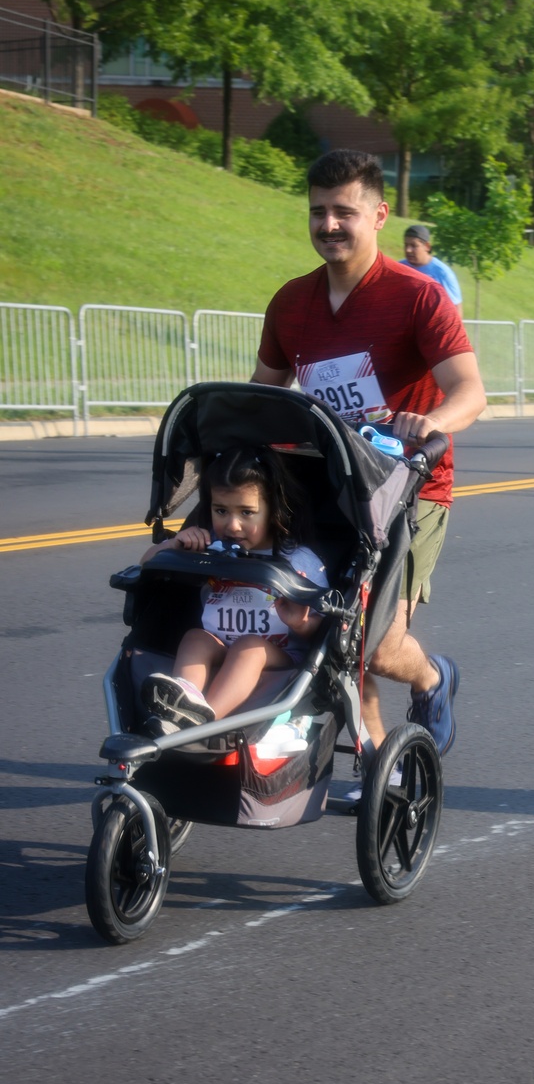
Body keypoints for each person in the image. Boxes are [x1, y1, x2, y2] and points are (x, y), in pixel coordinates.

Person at [251, 149, 486, 757]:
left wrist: (429, 423)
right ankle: (379, 760)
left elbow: (471, 392)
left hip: (409, 486)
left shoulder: (418, 297)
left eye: (344, 212)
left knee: (377, 644)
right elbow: (262, 396)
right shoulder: (290, 304)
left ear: (378, 215)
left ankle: (432, 677)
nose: (329, 224)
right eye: (318, 212)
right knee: (333, 627)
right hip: (325, 487)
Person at [139, 446, 327, 735]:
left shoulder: (298, 561)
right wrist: (173, 545)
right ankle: (185, 699)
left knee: (248, 648)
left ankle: (204, 722)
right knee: (195, 638)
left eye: (247, 512)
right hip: (220, 643)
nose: (232, 524)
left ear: (273, 509)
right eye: (221, 510)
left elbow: (324, 628)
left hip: (279, 654)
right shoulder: (210, 547)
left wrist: (301, 623)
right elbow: (146, 565)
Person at [400, 223, 463, 317]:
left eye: (413, 245)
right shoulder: (399, 268)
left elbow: (456, 310)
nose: (408, 250)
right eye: (406, 245)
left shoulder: (443, 273)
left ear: (427, 246)